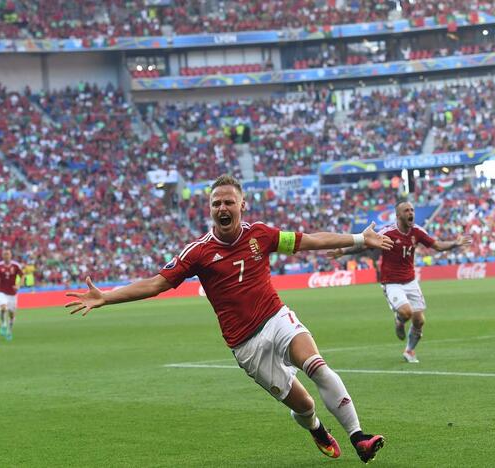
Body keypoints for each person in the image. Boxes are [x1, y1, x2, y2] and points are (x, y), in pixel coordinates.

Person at [65, 175, 392, 463]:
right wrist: (106, 296)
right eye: (216, 203)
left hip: (276, 318)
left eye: (229, 202)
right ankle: (317, 429)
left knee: (316, 365)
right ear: (210, 208)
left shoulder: (261, 235)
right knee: (304, 405)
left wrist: (360, 240)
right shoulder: (197, 252)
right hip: (246, 346)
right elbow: (156, 284)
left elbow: (309, 240)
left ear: (242, 205)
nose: (223, 208)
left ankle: (358, 437)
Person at [328, 200, 470, 364]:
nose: (411, 213)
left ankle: (409, 350)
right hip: (391, 282)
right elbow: (366, 245)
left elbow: (437, 245)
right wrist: (343, 251)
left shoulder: (417, 231)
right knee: (406, 312)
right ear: (398, 215)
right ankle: (399, 320)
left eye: (412, 210)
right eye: (406, 211)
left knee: (419, 320)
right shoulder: (388, 233)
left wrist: (455, 244)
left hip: (410, 281)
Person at [0, 249, 23, 341]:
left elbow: (22, 276)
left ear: (10, 255)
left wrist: (18, 285)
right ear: (3, 256)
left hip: (12, 294)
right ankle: (3, 324)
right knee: (3, 308)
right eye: (5, 254)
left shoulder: (16, 266)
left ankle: (9, 331)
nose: (6, 256)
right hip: (2, 292)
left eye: (8, 254)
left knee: (11, 314)